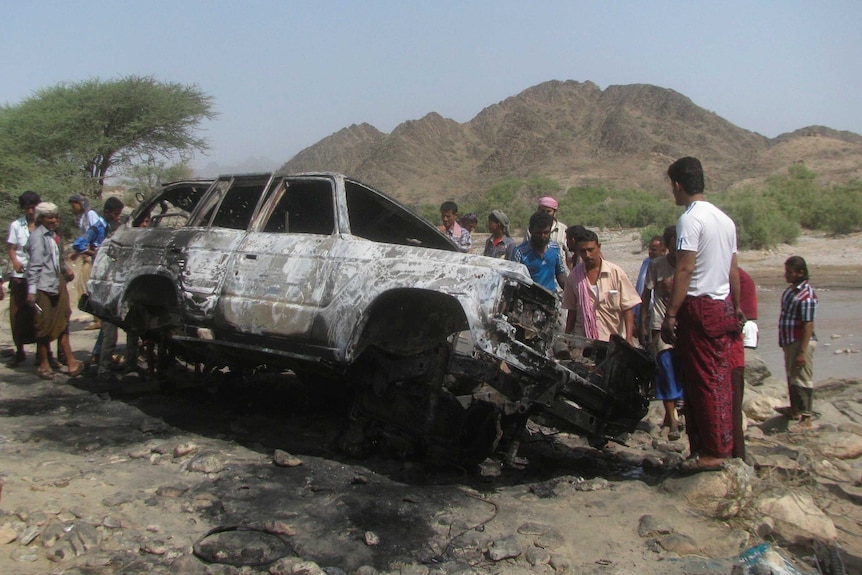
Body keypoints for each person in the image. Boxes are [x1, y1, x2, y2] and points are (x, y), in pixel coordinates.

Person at [661, 157, 741, 474]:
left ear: (678, 185)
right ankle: (711, 445)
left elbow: (685, 267)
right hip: (721, 304)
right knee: (715, 376)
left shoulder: (690, 219)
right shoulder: (725, 220)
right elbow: (733, 269)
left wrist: (671, 314)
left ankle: (713, 450)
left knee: (703, 379)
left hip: (699, 305)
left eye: (672, 186)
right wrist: (736, 306)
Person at [24, 202, 85, 380]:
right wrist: (32, 290)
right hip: (43, 285)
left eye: (55, 217)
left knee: (63, 320)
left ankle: (71, 361)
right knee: (43, 324)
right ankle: (44, 364)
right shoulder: (37, 237)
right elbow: (35, 265)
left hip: (56, 281)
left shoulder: (53, 236)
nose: (53, 220)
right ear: (41, 218)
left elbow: (56, 259)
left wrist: (65, 270)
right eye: (49, 217)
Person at [640, 226, 684, 440]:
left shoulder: (689, 266)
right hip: (659, 324)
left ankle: (671, 415)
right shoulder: (656, 265)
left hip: (685, 326)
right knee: (665, 370)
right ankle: (674, 421)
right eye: (675, 244)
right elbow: (646, 296)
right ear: (668, 246)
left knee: (681, 370)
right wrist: (643, 325)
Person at [562, 228, 640, 344]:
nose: (587, 255)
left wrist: (629, 338)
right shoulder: (574, 277)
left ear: (599, 247)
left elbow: (627, 308)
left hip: (611, 339)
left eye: (590, 250)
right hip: (584, 340)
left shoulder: (615, 273)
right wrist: (566, 337)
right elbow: (572, 310)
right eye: (583, 251)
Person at [775, 256, 818, 428]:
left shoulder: (806, 295)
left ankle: (806, 417)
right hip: (789, 340)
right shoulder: (790, 291)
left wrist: (802, 351)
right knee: (792, 375)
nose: (786, 275)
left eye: (789, 272)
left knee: (803, 378)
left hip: (800, 342)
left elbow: (808, 324)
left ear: (801, 273)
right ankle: (794, 409)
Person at [89, 197, 125, 382]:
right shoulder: (102, 242)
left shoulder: (114, 251)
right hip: (106, 294)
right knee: (109, 332)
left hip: (113, 292)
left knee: (108, 331)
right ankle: (103, 370)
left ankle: (101, 359)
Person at [6, 191, 42, 367]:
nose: (30, 211)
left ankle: (42, 353)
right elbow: (12, 248)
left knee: (40, 314)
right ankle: (19, 351)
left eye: (33, 207)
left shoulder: (43, 225)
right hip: (20, 276)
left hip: (38, 276)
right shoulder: (16, 225)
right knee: (18, 315)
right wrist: (15, 261)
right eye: (27, 208)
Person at [510, 210, 567, 294]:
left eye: (546, 233)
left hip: (551, 296)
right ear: (531, 231)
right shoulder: (520, 253)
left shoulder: (555, 248)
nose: (542, 237)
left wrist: (572, 292)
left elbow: (560, 274)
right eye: (539, 233)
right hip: (529, 299)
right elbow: (514, 280)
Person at [68, 193, 103, 330]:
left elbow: (95, 235)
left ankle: (99, 319)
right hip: (88, 255)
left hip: (93, 255)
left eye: (74, 205)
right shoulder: (83, 218)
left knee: (90, 287)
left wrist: (88, 252)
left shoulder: (91, 215)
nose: (73, 209)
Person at [634, 236, 667, 339]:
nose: (650, 252)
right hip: (643, 309)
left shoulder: (664, 266)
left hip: (655, 312)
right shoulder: (646, 262)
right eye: (649, 249)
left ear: (663, 250)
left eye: (653, 250)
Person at [524, 196, 571, 268]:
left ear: (554, 212)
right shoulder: (531, 229)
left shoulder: (563, 229)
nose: (545, 214)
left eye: (548, 211)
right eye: (542, 211)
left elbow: (569, 256)